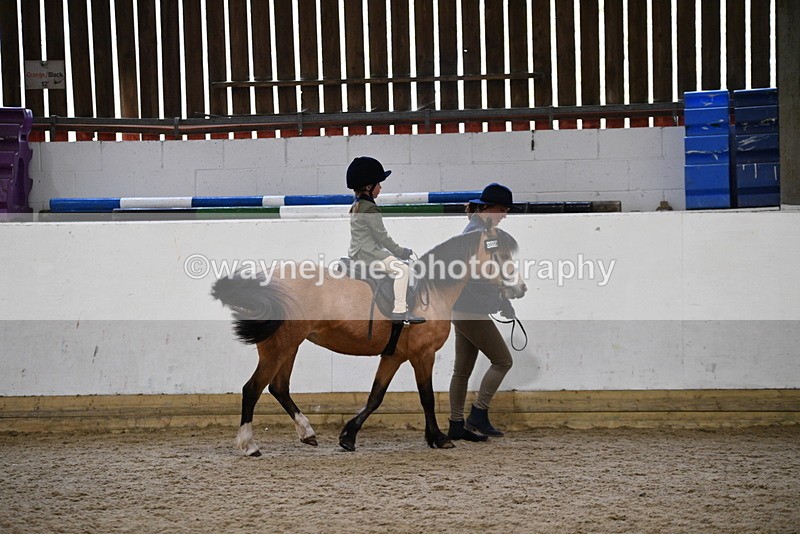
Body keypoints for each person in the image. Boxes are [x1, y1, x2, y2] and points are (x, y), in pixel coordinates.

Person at [447, 183, 518, 442]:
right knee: (503, 361)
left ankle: (456, 424)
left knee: (462, 371)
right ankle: (478, 413)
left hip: (464, 307)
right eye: (502, 209)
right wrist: (502, 292)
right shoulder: (478, 232)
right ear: (488, 207)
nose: (505, 214)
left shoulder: (483, 229)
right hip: (471, 309)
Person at [347, 156, 425, 325]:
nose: (380, 187)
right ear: (368, 186)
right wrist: (400, 251)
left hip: (358, 252)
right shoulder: (370, 208)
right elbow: (382, 236)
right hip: (369, 255)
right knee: (402, 270)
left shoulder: (357, 205)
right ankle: (400, 311)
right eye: (378, 184)